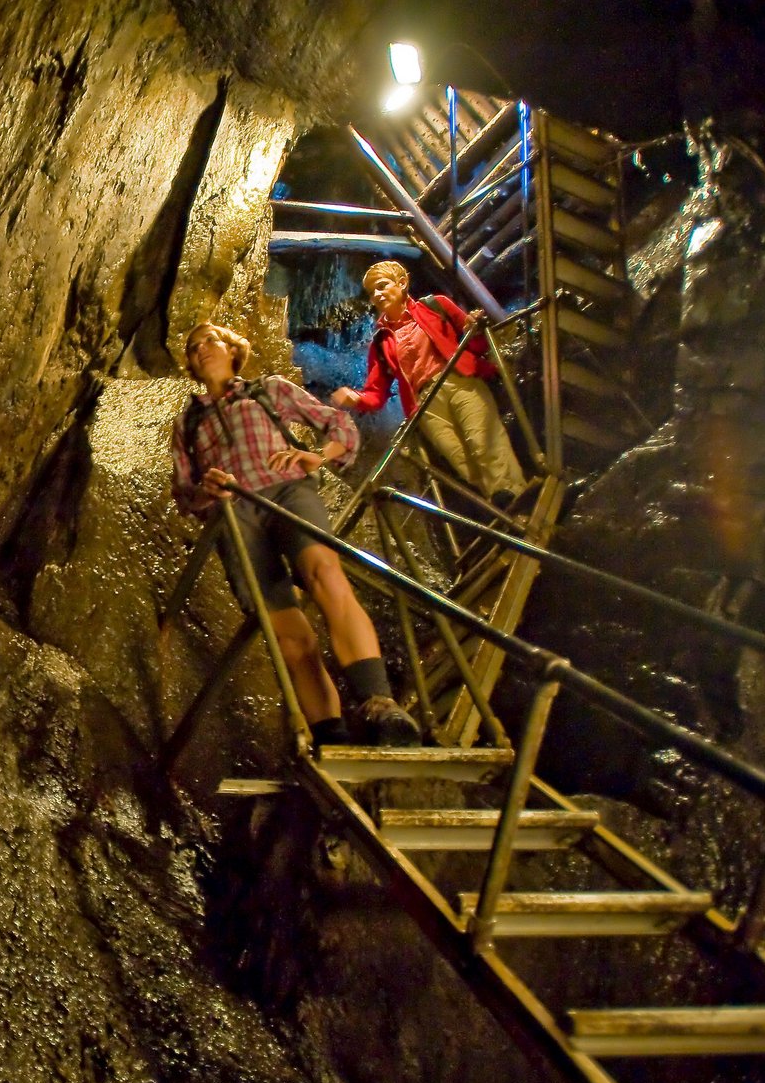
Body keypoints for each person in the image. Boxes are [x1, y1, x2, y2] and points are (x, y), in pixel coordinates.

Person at [170, 320, 421, 747]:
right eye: (194, 347)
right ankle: (332, 735)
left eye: (211, 339)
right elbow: (183, 491)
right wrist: (203, 491)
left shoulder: (269, 389)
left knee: (325, 574)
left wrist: (317, 456)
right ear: (192, 364)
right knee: (287, 632)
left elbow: (339, 426)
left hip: (286, 492)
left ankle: (379, 704)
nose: (203, 349)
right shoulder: (188, 422)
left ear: (233, 348)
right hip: (232, 516)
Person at [331, 261, 528, 506]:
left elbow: (475, 343)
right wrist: (356, 398)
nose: (377, 295)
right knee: (460, 458)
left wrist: (475, 326)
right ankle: (505, 500)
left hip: (457, 380)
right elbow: (376, 393)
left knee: (483, 440)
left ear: (402, 283)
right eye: (372, 292)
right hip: (425, 404)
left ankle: (514, 493)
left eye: (382, 286)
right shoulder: (381, 342)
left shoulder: (435, 305)